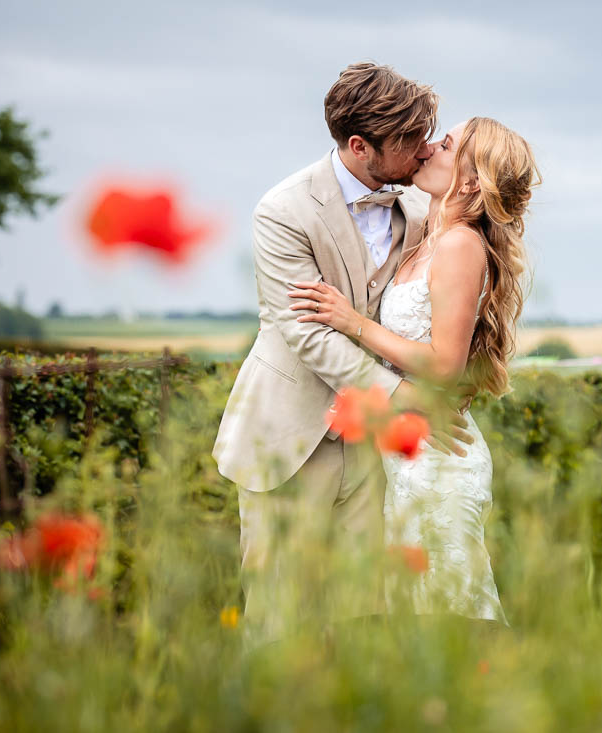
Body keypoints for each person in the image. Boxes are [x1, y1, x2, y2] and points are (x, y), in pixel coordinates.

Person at [213, 63, 467, 638]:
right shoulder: (283, 211)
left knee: (357, 618)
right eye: (409, 140)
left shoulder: (421, 209)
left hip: (376, 451)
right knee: (277, 618)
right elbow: (305, 334)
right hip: (289, 439)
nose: (426, 148)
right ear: (360, 145)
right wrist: (405, 397)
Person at [288, 117, 540, 622]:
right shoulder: (428, 236)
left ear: (470, 180)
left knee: (453, 612)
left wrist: (353, 322)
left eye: (446, 144)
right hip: (410, 455)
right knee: (418, 614)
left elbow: (445, 365)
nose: (428, 147)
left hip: (441, 460)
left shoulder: (460, 244)